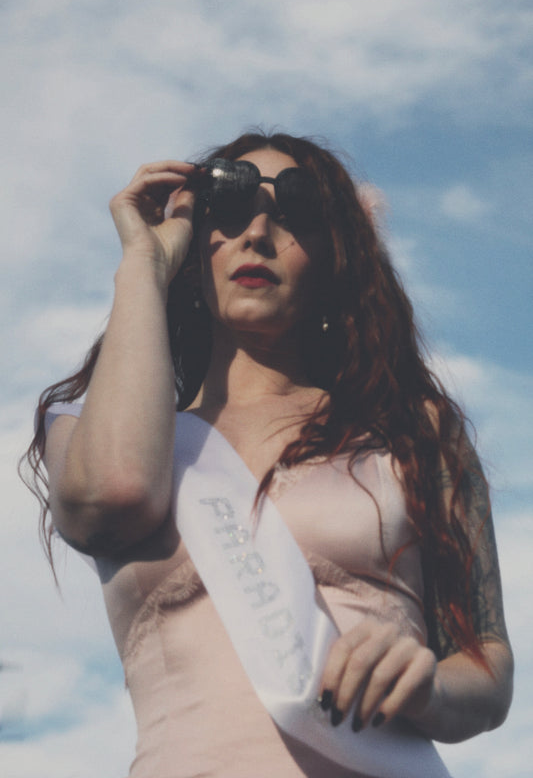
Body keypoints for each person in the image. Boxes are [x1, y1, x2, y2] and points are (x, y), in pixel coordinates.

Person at [24, 132, 513, 777]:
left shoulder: (413, 432)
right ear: (196, 244)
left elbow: (487, 664)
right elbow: (116, 493)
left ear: (335, 258)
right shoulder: (90, 437)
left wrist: (432, 689)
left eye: (297, 212)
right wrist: (144, 265)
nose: (257, 233)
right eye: (227, 209)